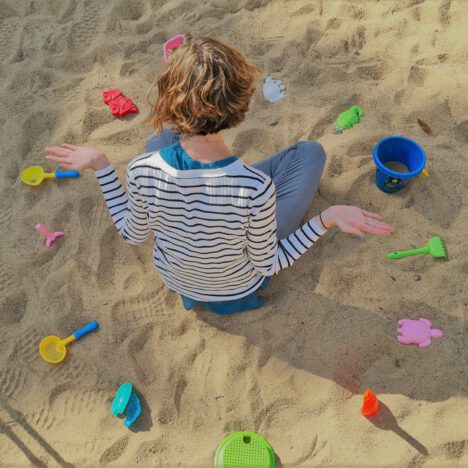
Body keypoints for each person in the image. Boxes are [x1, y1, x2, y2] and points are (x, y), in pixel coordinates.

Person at [45, 34, 393, 314]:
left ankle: (191, 118)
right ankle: (197, 121)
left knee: (165, 135)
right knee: (311, 152)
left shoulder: (141, 170)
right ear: (240, 109)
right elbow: (270, 262)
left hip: (179, 279)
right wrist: (326, 219)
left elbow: (132, 234)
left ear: (169, 97)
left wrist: (103, 166)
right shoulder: (256, 189)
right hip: (238, 283)